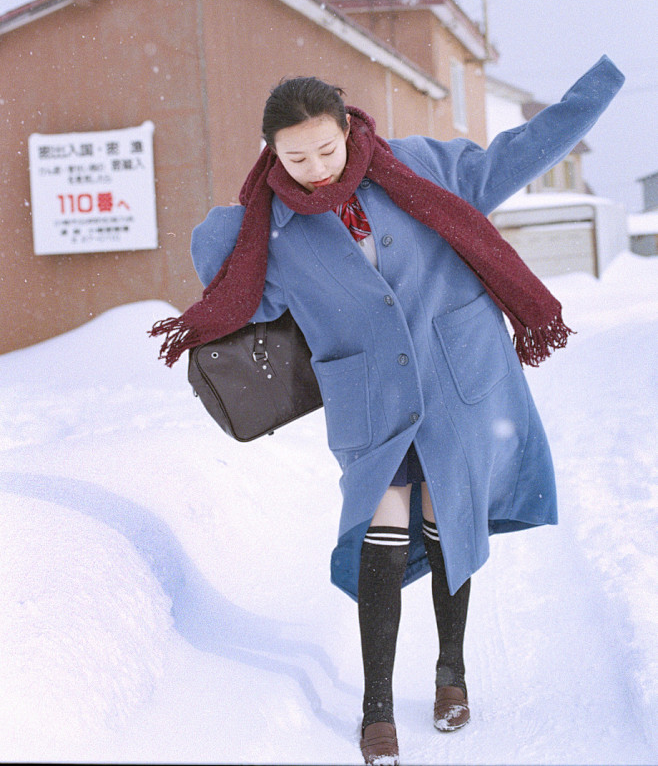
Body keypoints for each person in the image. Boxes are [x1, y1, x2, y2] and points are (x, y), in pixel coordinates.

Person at [151, 56, 624, 765]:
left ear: (348, 129)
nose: (313, 167)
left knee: (444, 525)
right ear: (270, 155)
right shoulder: (270, 230)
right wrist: (252, 208)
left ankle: (451, 671)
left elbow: (518, 153)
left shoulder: (422, 168)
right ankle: (377, 704)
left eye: (325, 148)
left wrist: (596, 91)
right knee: (382, 531)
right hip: (368, 397)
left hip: (454, 376)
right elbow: (232, 281)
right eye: (293, 156)